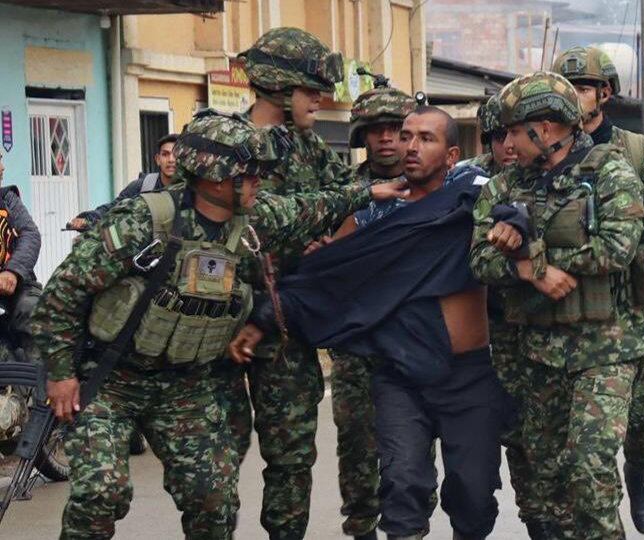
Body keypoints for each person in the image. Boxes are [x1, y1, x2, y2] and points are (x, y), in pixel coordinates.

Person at [30, 112, 406, 539]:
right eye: (251, 173)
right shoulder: (142, 221)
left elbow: (311, 206)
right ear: (215, 177)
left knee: (214, 500)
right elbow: (62, 294)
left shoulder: (254, 219)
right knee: (101, 493)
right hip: (112, 382)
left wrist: (368, 191)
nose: (260, 181)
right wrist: (60, 373)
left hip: (185, 387)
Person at [235, 106, 507, 540]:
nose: (410, 146)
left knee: (473, 494)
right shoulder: (368, 214)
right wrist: (266, 316)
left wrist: (515, 228)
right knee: (401, 486)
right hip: (399, 376)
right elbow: (329, 278)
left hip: (466, 376)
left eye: (426, 138)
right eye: (406, 135)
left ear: (452, 155)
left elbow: (521, 216)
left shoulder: (475, 204)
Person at [471, 71, 644, 539]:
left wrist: (535, 253)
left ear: (545, 129)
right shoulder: (503, 188)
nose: (507, 143)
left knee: (589, 468)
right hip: (539, 353)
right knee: (549, 482)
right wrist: (527, 270)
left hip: (607, 350)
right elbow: (480, 260)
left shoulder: (609, 172)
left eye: (514, 131)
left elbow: (617, 249)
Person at [214, 26, 360, 539]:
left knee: (292, 459)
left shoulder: (308, 147)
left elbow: (354, 197)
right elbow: (224, 223)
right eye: (309, 90)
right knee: (214, 463)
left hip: (286, 326)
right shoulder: (220, 140)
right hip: (220, 328)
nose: (319, 100)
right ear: (278, 86)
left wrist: (331, 242)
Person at [552, 46, 644, 534]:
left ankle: (639, 468)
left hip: (633, 309)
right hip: (573, 315)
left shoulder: (638, 153)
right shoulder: (550, 152)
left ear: (604, 94)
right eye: (565, 89)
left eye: (582, 88)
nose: (573, 97)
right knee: (586, 440)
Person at [326, 80, 416, 540]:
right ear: (362, 134)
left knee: (410, 453)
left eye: (395, 128)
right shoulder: (342, 191)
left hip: (415, 338)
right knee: (357, 442)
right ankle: (361, 526)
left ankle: (407, 527)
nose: (386, 138)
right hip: (356, 341)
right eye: (376, 129)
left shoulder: (434, 185)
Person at [460, 93, 538, 525]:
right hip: (482, 331)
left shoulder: (550, 175)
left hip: (538, 325)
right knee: (494, 434)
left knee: (536, 434)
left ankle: (539, 518)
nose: (507, 145)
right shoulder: (467, 183)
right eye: (497, 136)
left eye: (515, 133)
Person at [68, 134, 178, 229]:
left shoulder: (188, 191)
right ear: (158, 159)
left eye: (176, 154)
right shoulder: (144, 186)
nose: (171, 160)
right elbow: (112, 209)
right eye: (165, 154)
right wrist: (87, 219)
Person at [0, 150, 41, 353]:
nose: (2, 168)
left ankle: (37, 372)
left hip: (15, 282)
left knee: (35, 310)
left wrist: (13, 271)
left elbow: (30, 234)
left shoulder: (8, 199)